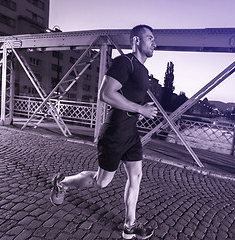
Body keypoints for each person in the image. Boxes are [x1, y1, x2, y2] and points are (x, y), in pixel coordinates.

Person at [50, 24, 158, 240]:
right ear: (136, 40)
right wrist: (140, 109)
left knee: (136, 176)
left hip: (131, 133)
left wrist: (141, 106)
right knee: (102, 182)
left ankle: (129, 225)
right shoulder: (123, 63)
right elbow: (106, 94)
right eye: (150, 38)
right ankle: (61, 183)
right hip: (115, 131)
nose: (154, 42)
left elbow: (128, 94)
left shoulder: (143, 70)